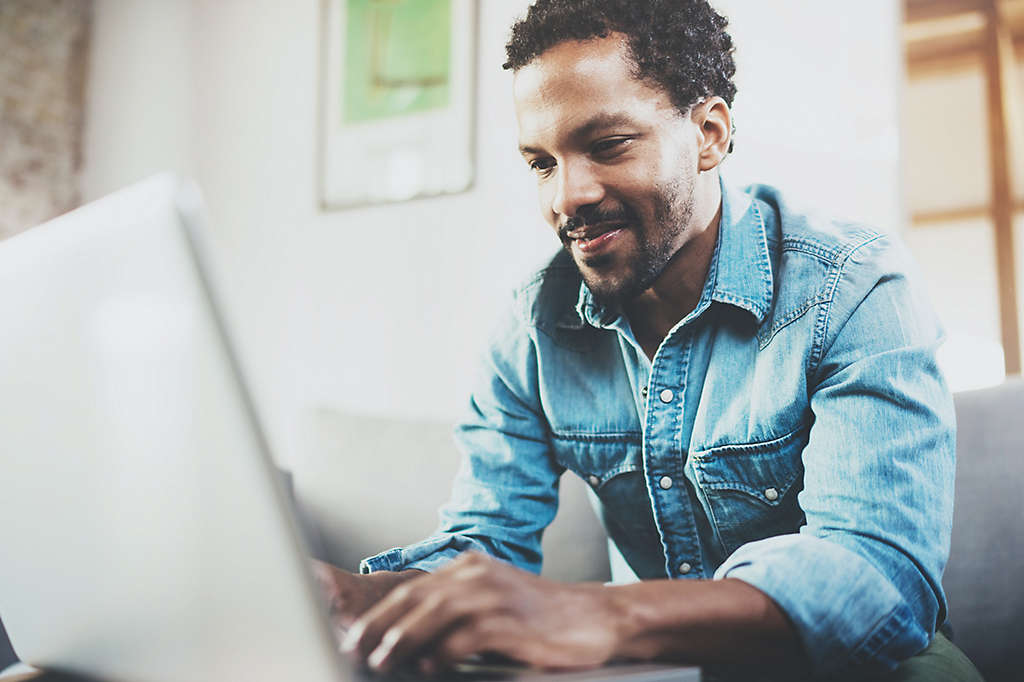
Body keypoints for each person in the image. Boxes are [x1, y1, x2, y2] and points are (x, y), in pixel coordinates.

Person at [314, 1, 982, 679]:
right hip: (654, 668)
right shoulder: (533, 327)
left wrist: (602, 614)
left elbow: (877, 575)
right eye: (542, 163)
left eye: (606, 146)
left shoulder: (853, 285)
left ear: (709, 134)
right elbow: (486, 540)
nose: (565, 196)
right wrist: (360, 596)